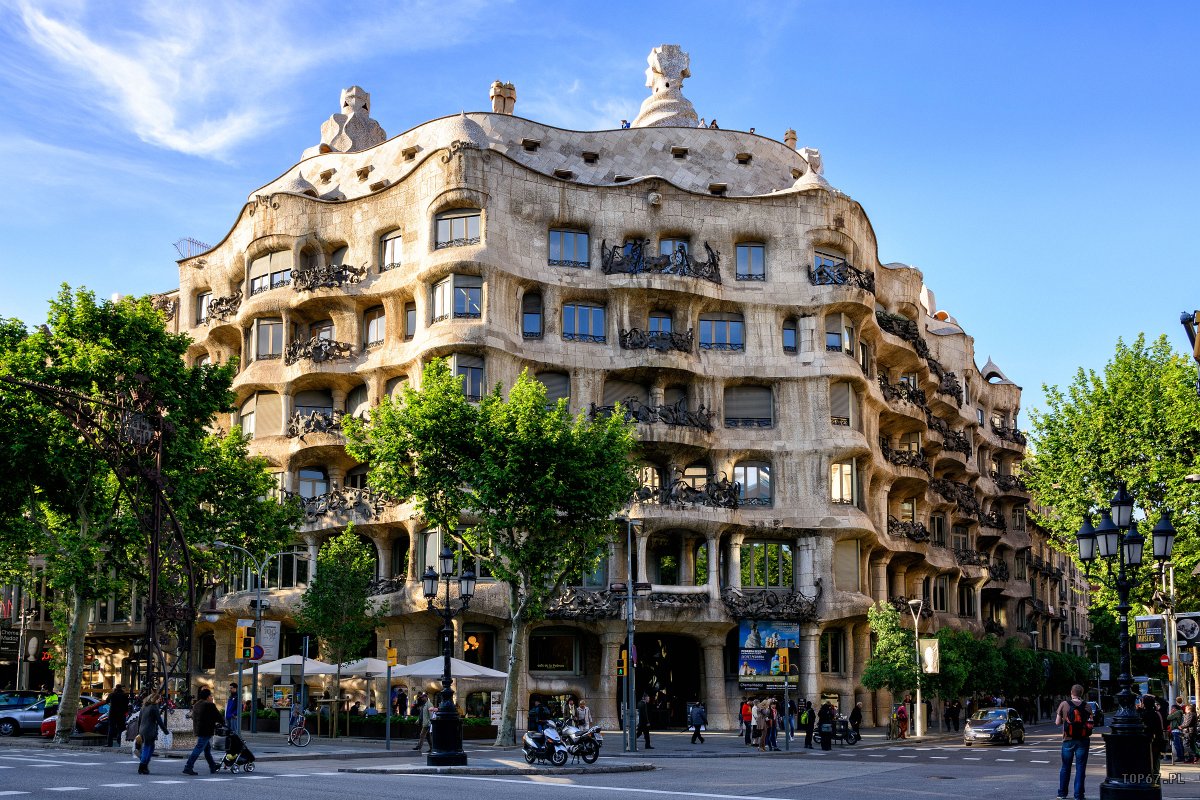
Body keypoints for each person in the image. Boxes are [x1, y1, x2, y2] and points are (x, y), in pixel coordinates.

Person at [1055, 683, 1092, 800]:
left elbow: (1057, 722)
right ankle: (1079, 795)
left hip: (1068, 739)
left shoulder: (1064, 704)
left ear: (1071, 693)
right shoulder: (1087, 706)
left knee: (1065, 767)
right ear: (1082, 694)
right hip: (1083, 740)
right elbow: (1091, 724)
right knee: (1081, 768)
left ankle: (1062, 794)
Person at [182, 687, 221, 776]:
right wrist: (222, 722)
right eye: (211, 696)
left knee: (207, 749)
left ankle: (212, 766)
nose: (212, 697)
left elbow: (194, 716)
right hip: (206, 730)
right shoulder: (210, 705)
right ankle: (188, 766)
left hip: (199, 729)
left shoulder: (196, 705)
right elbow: (218, 716)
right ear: (207, 697)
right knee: (199, 748)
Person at [136, 691, 169, 775]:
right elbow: (159, 720)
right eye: (159, 699)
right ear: (156, 699)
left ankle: (144, 765)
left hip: (142, 730)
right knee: (148, 747)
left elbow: (139, 720)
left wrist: (138, 731)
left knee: (150, 747)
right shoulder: (154, 707)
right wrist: (165, 731)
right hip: (149, 730)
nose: (160, 701)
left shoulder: (144, 707)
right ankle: (142, 766)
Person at [1139, 694, 1164, 782]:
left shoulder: (1143, 715)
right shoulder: (1157, 714)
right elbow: (1165, 704)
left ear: (1144, 704)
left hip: (1146, 745)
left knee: (1146, 767)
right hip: (1156, 743)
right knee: (1155, 767)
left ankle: (1149, 783)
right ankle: (1156, 785)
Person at [104, 684, 129, 748]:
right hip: (121, 714)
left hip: (112, 714)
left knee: (111, 728)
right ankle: (120, 742)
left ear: (116, 688)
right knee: (121, 728)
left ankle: (110, 743)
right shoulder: (125, 695)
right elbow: (127, 705)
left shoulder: (112, 694)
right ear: (121, 688)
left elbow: (106, 701)